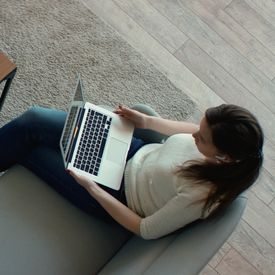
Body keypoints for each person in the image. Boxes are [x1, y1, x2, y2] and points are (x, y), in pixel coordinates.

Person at [0, 104, 263, 240]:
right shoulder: (215, 143)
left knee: (32, 151)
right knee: (34, 120)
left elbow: (145, 229)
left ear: (224, 157)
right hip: (131, 151)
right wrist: (146, 121)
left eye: (202, 138)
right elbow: (186, 129)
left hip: (117, 194)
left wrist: (90, 187)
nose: (194, 133)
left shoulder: (203, 195)